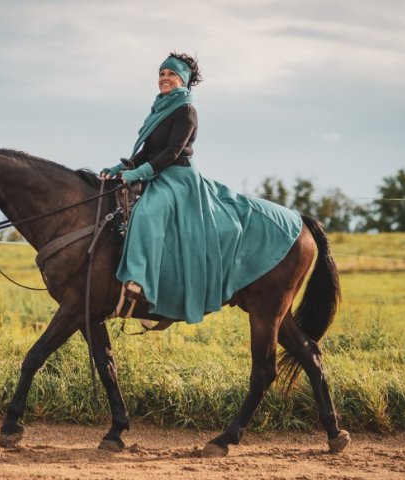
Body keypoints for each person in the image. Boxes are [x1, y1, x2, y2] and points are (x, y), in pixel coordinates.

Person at [101, 52, 303, 324]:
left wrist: (142, 172)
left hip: (178, 177)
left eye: (171, 74)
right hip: (156, 172)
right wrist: (120, 168)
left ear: (182, 79)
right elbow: (148, 150)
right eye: (161, 74)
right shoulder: (159, 109)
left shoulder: (186, 111)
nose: (165, 78)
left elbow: (172, 152)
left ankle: (139, 282)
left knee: (148, 212)